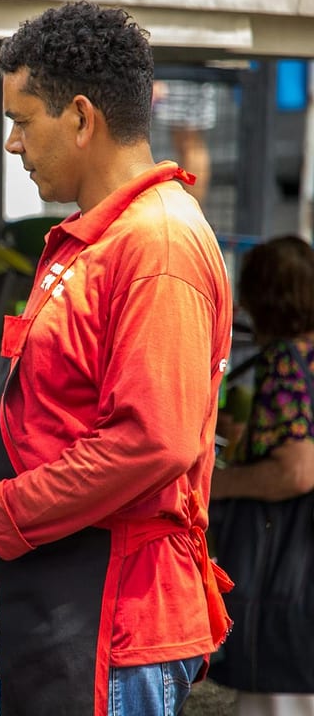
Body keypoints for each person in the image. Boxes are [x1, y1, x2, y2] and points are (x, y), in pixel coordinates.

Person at [0, 0, 234, 715]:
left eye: (22, 122)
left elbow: (153, 440)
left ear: (83, 118)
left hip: (114, 624)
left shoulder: (156, 243)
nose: (12, 144)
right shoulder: (105, 235)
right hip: (68, 609)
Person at [208, 235, 314, 715]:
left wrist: (214, 484)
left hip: (288, 576)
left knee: (279, 700)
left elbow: (297, 470)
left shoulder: (286, 363)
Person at [152, 78, 217, 206]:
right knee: (185, 144)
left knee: (190, 143)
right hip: (185, 74)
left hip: (187, 75)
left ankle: (194, 206)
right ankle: (192, 206)